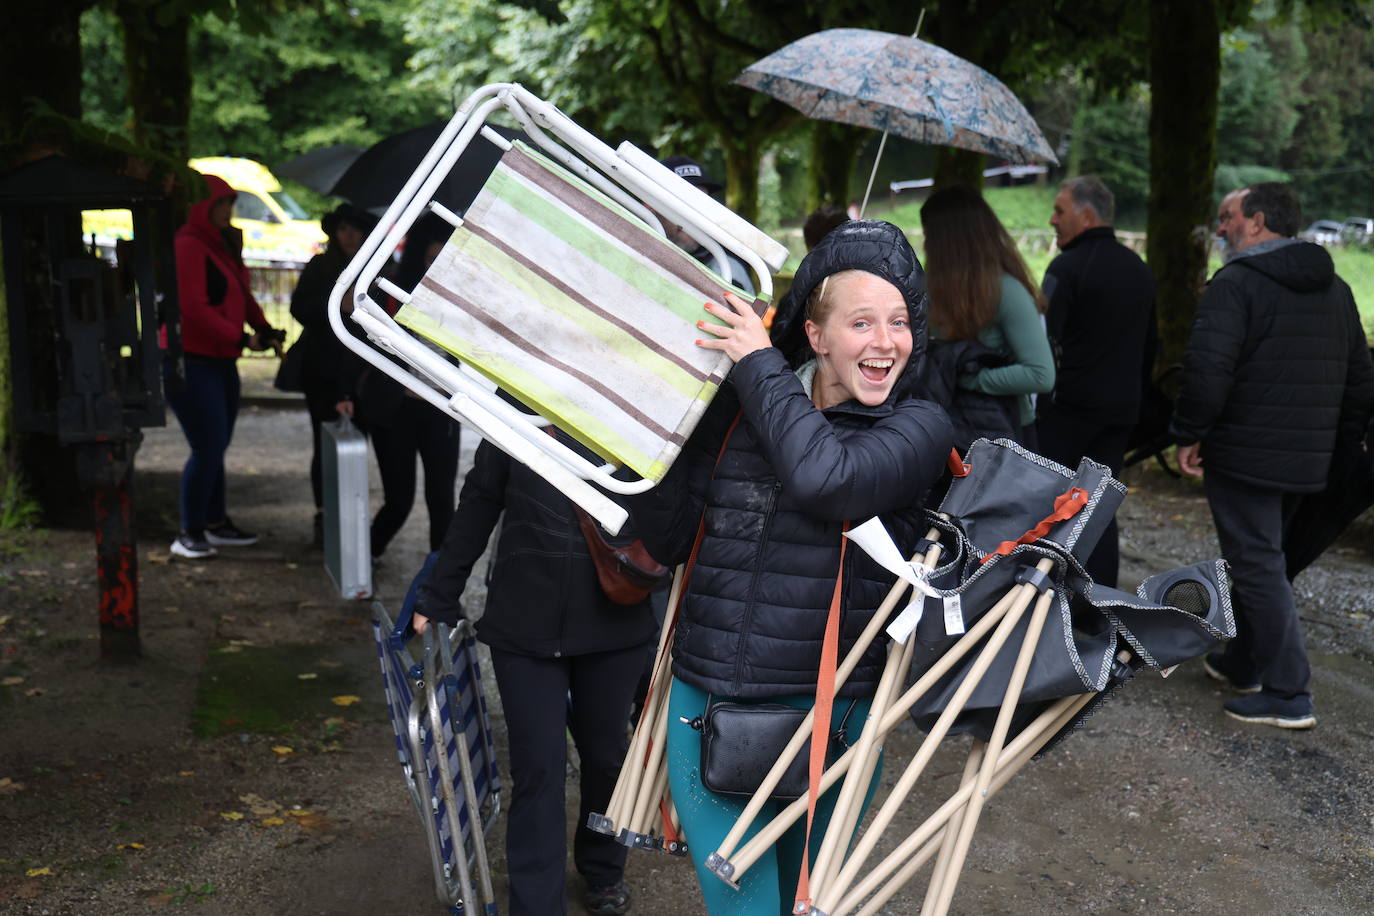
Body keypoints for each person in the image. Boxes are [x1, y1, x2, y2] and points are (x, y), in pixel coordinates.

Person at [632, 220, 953, 915]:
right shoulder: (744, 405)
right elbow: (668, 538)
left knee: (810, 908)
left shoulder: (920, 427)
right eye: (862, 321)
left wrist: (757, 367)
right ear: (815, 335)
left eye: (899, 322)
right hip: (711, 703)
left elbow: (826, 480)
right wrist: (645, 433)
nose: (885, 342)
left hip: (836, 718)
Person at [412, 422, 657, 916]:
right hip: (525, 621)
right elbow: (479, 500)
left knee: (607, 757)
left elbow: (679, 507)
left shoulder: (640, 405)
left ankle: (604, 869)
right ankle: (537, 904)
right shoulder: (515, 403)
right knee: (538, 768)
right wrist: (438, 595)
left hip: (617, 618)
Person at [1171, 182, 1374, 730]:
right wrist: (1340, 445)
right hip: (1310, 458)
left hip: (1244, 454)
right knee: (1266, 559)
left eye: (1227, 217)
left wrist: (1190, 433)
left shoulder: (1235, 284)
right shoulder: (1336, 289)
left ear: (1257, 221)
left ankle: (1289, 692)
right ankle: (1243, 661)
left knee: (1258, 565)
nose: (1220, 228)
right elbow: (1361, 379)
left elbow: (1208, 372)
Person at [1034, 176, 1158, 588]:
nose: (1053, 220)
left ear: (1086, 216)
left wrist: (1041, 402)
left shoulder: (1066, 267)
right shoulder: (1139, 269)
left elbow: (1044, 340)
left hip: (1068, 410)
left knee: (1052, 502)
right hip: (1120, 411)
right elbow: (1150, 346)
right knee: (1100, 506)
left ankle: (1042, 592)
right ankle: (1099, 597)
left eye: (1060, 211)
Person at [165, 174, 281, 559]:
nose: (228, 211)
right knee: (208, 445)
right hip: (191, 360)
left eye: (231, 204)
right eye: (222, 203)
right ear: (204, 206)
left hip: (219, 359)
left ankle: (213, 523)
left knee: (216, 445)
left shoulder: (220, 244)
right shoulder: (188, 245)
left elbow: (242, 294)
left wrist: (263, 328)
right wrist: (240, 338)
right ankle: (189, 531)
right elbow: (192, 308)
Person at [346, 213, 462, 559]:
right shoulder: (389, 290)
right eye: (431, 256)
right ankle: (363, 561)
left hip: (440, 407)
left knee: (442, 499)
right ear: (419, 252)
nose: (437, 262)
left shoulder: (458, 292)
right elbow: (359, 348)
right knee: (399, 501)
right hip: (394, 408)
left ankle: (438, 584)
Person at [917, 185, 1055, 448]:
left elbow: (1041, 374)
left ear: (946, 242)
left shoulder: (1008, 291)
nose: (926, 245)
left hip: (1007, 434)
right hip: (954, 427)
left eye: (929, 235)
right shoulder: (932, 289)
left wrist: (975, 381)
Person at [289, 203, 377, 544]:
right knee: (325, 443)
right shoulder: (321, 266)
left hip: (364, 373)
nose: (349, 236)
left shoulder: (378, 268)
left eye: (355, 228)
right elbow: (300, 308)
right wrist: (335, 306)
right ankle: (325, 515)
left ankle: (353, 517)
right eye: (343, 229)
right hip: (322, 371)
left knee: (359, 444)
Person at [659, 154, 757, 294]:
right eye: (683, 203)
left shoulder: (728, 275)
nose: (693, 216)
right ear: (649, 204)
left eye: (703, 205)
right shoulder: (627, 248)